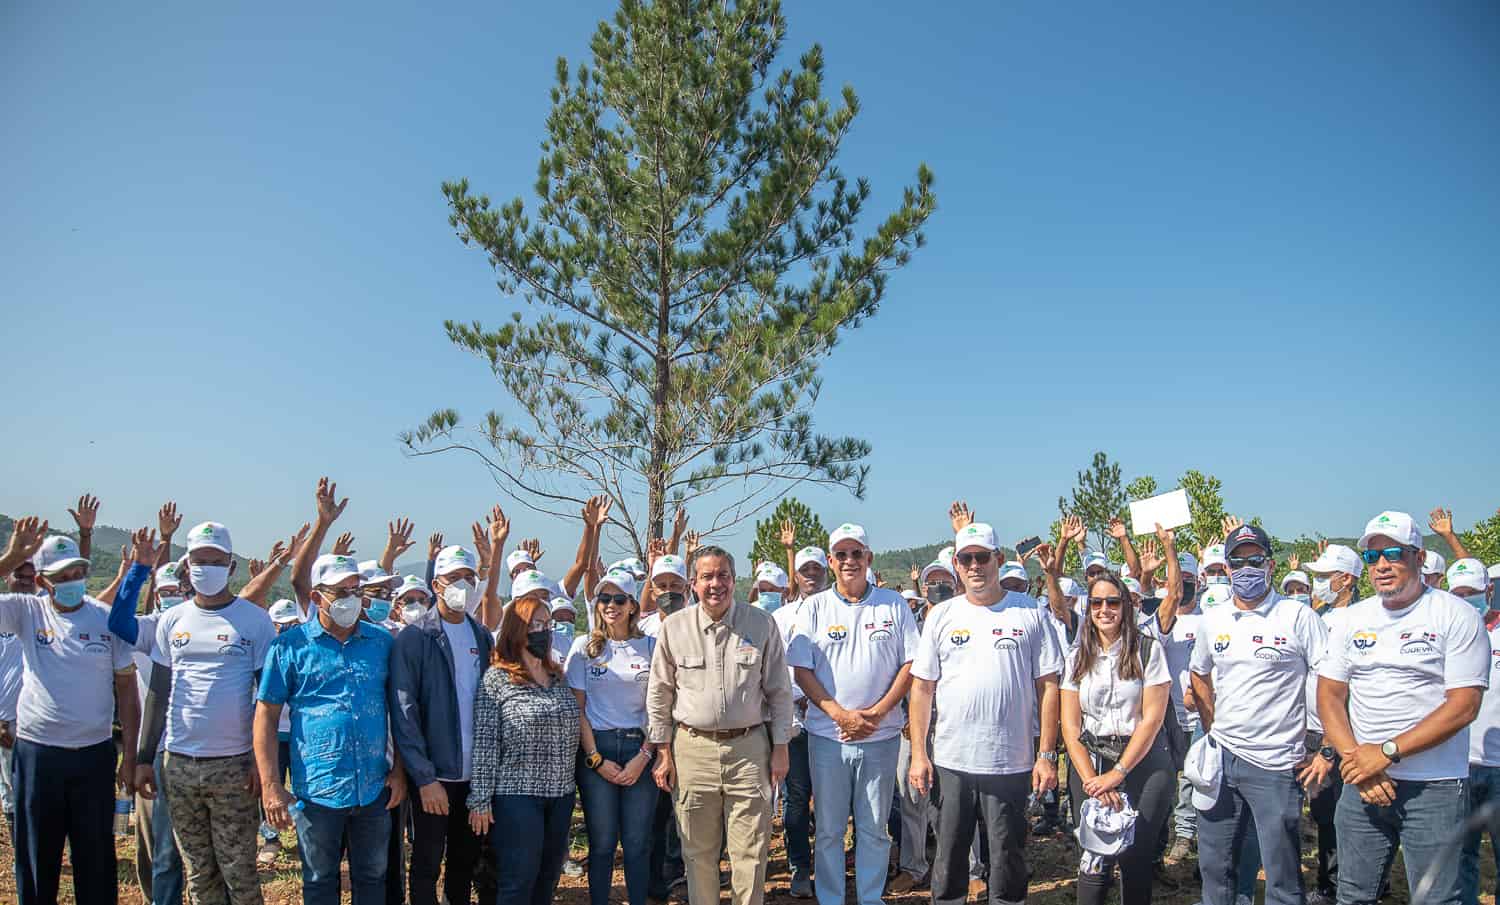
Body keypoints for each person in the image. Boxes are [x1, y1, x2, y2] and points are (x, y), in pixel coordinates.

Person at [1318, 511, 1489, 905]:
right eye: (1372, 557)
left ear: (1420, 557)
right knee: (1353, 896)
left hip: (1435, 786)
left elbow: (1464, 706)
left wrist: (1386, 752)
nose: (1381, 565)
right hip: (1361, 783)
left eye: (1392, 553)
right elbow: (1329, 695)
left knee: (1435, 898)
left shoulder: (1456, 615)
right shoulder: (1352, 620)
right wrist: (1358, 763)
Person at [907, 522, 1063, 905]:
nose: (975, 566)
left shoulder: (1029, 613)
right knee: (950, 855)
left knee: (1007, 855)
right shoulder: (941, 616)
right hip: (952, 761)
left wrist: (1046, 755)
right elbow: (922, 689)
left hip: (1010, 761)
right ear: (957, 565)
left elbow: (1049, 688)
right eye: (966, 559)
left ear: (999, 559)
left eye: (982, 557)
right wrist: (918, 754)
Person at [1188, 522, 1331, 905]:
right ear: (1227, 567)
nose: (1247, 568)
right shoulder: (1214, 619)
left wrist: (1325, 747)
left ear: (1271, 565)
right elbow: (1198, 674)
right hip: (1222, 761)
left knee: (1283, 875)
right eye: (1238, 561)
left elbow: (1333, 683)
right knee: (1216, 871)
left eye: (1256, 560)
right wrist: (1212, 727)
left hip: (1278, 765)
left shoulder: (1298, 617)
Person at [133, 520, 274, 905]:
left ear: (230, 566)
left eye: (216, 561)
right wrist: (145, 757)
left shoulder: (254, 621)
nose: (206, 568)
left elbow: (268, 701)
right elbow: (159, 692)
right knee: (198, 872)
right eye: (199, 560)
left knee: (239, 873)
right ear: (187, 564)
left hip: (234, 766)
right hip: (178, 763)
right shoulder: (172, 619)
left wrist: (263, 765)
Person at [255, 553, 408, 905]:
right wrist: (271, 786)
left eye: (355, 590)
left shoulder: (381, 643)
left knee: (372, 878)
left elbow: (398, 713)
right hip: (317, 790)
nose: (350, 600)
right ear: (316, 598)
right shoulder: (289, 647)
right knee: (320, 879)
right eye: (340, 593)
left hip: (373, 786)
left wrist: (399, 771)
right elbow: (265, 716)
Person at [0, 519, 139, 905]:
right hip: (37, 755)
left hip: (93, 757)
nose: (74, 579)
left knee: (95, 858)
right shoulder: (25, 611)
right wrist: (13, 556)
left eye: (79, 572)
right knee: (36, 857)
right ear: (44, 580)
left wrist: (128, 754)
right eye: (63, 574)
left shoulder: (104, 619)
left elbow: (127, 689)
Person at [646, 545, 794, 905]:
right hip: (692, 751)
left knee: (751, 852)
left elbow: (779, 691)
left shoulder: (760, 624)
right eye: (707, 577)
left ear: (734, 579)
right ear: (693, 584)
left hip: (749, 750)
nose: (716, 584)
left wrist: (780, 748)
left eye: (723, 575)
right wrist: (663, 752)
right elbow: (659, 694)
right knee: (698, 854)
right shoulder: (675, 628)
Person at [787, 523, 919, 905]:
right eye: (841, 554)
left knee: (874, 827)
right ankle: (830, 898)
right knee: (828, 829)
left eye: (856, 553)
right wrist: (839, 714)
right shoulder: (813, 608)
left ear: (869, 558)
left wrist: (876, 713)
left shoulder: (893, 604)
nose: (849, 561)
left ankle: (869, 897)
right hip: (828, 737)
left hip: (881, 737)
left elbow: (911, 664)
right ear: (830, 561)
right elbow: (801, 669)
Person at [1059, 561, 1175, 905]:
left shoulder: (1148, 650)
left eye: (1113, 602)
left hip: (1142, 761)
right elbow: (1070, 725)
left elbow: (1151, 719)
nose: (1104, 610)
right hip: (1091, 760)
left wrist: (1117, 774)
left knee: (1135, 857)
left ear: (1126, 605)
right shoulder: (1077, 655)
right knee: (1094, 859)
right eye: (1096, 603)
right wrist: (1093, 779)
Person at [389, 542, 495, 905]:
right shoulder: (416, 638)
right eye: (454, 578)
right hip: (435, 777)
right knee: (426, 863)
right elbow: (405, 713)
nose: (463, 585)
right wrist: (424, 777)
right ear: (437, 584)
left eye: (469, 577)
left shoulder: (482, 637)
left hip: (472, 776)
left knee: (463, 861)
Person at [467, 595, 582, 905]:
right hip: (518, 793)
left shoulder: (557, 677)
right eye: (535, 625)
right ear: (517, 630)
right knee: (518, 880)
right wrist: (479, 800)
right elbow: (487, 743)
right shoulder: (497, 679)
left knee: (547, 877)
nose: (543, 631)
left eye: (547, 625)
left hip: (560, 794)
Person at [565, 571, 657, 905]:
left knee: (637, 843)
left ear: (633, 605)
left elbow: (660, 708)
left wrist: (644, 756)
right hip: (597, 750)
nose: (611, 606)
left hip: (640, 750)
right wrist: (595, 760)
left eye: (620, 599)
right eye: (604, 599)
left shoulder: (651, 646)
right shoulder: (584, 647)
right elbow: (579, 710)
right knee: (602, 843)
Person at [1301, 541, 1365, 901]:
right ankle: (1329, 882)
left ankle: (1341, 887)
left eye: (1325, 577)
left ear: (1345, 579)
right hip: (1310, 730)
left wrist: (1331, 741)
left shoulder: (1359, 620)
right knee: (1324, 813)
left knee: (1345, 814)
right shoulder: (1319, 616)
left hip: (1341, 733)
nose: (1318, 583)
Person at [1450, 558, 1498, 905]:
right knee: (1460, 857)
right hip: (1457, 764)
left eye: (1474, 593)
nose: (1467, 600)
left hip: (1498, 766)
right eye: (1459, 594)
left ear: (1490, 592)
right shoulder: (1446, 637)